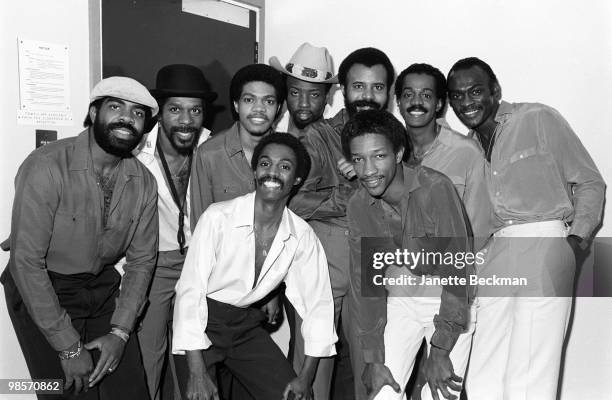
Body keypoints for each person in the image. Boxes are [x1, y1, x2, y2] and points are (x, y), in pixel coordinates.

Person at [446, 57, 605, 400]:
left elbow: (590, 182)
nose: (467, 102)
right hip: (494, 252)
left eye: (475, 91)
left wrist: (574, 244)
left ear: (495, 91)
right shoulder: (466, 148)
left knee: (530, 372)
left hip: (545, 239)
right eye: (457, 96)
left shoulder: (536, 118)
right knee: (484, 371)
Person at [1, 77, 160, 399]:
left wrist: (120, 331)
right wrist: (68, 348)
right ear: (93, 112)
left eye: (138, 114)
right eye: (116, 107)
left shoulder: (143, 182)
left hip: (99, 286)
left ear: (145, 129)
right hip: (43, 287)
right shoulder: (46, 166)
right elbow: (27, 262)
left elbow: (142, 261)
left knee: (129, 390)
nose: (127, 118)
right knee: (68, 390)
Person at [172, 133, 337, 400]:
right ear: (254, 170)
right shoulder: (217, 217)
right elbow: (190, 292)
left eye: (284, 167)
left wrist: (305, 378)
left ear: (296, 180)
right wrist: (196, 370)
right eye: (265, 164)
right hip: (203, 323)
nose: (272, 172)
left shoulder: (302, 236)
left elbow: (319, 307)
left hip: (246, 325)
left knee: (291, 397)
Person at [342, 110, 474, 400]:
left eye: (378, 156)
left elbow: (457, 271)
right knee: (381, 394)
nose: (367, 170)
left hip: (450, 300)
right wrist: (373, 358)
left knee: (439, 396)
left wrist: (440, 350)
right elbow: (367, 286)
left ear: (399, 153)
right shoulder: (359, 205)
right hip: (403, 298)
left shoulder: (435, 188)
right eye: (358, 159)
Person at [289, 47, 395, 400]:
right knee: (311, 370)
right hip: (327, 261)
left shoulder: (396, 140)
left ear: (388, 94)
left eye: (377, 88)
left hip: (375, 262)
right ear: (343, 91)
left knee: (373, 367)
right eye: (358, 86)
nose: (367, 96)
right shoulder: (319, 137)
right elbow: (290, 201)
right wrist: (343, 195)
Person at [132, 64, 217, 400]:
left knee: (194, 358)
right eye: (176, 109)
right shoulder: (135, 151)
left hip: (200, 265)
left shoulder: (211, 147)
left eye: (195, 110)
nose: (186, 120)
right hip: (153, 265)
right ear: (160, 112)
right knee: (147, 357)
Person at [270, 42, 336, 138]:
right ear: (286, 94)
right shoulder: (269, 136)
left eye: (314, 95)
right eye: (295, 93)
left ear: (326, 97)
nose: (304, 104)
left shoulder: (338, 142)